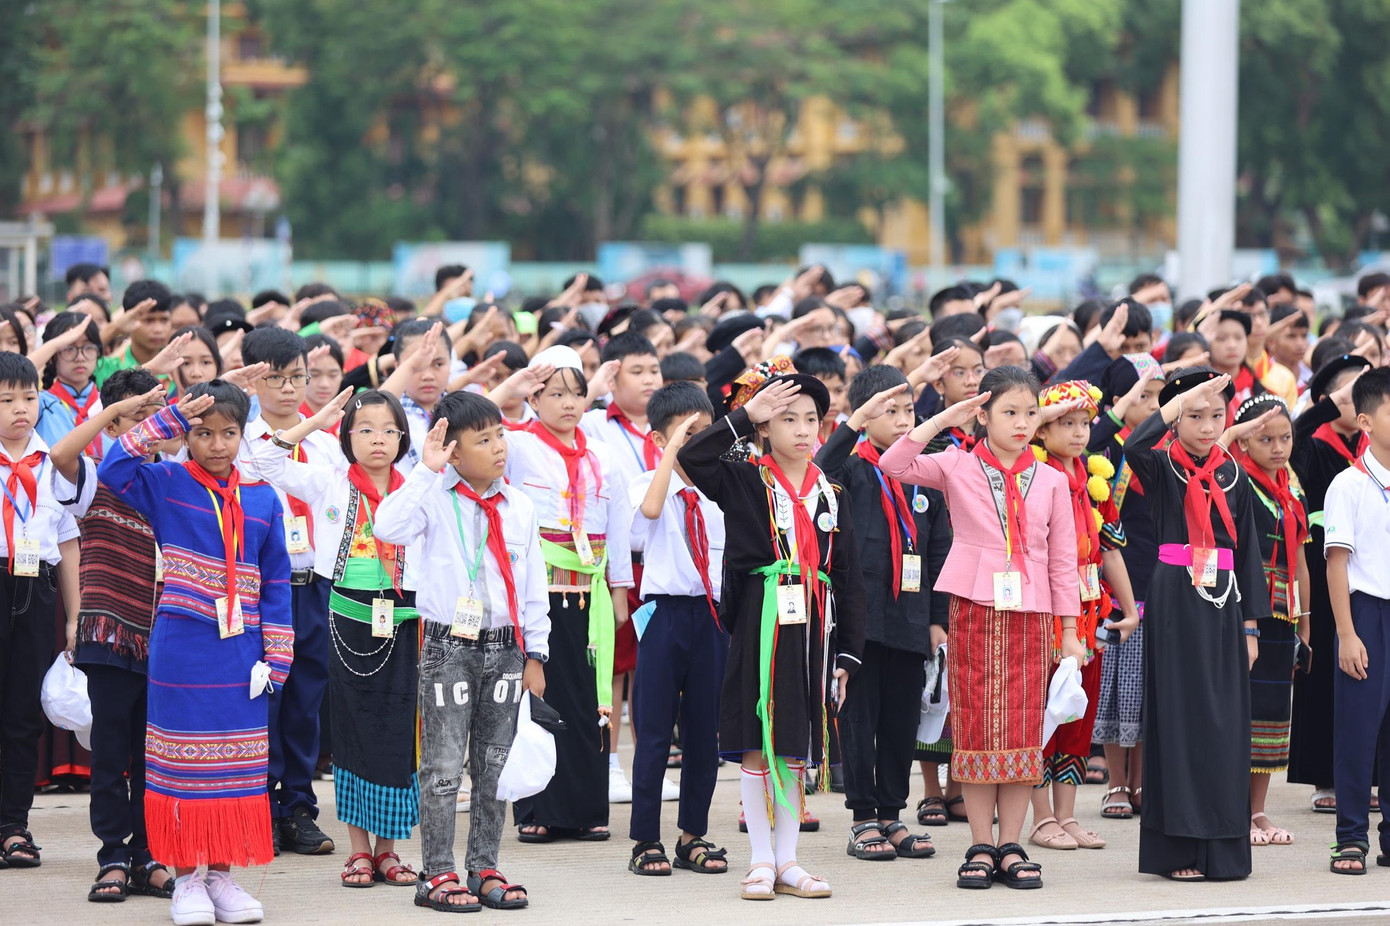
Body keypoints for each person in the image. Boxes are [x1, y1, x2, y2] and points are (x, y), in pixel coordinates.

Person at [98, 380, 293, 925]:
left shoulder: (261, 498)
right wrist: (164, 421)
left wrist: (277, 655)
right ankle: (187, 879)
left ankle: (223, 877)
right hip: (181, 650)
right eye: (203, 433)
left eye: (229, 433)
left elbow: (277, 581)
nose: (218, 445)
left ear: (244, 434)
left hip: (243, 654)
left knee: (236, 769)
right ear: (187, 434)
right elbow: (114, 469)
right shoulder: (165, 482)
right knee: (182, 768)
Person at [881, 366, 1081, 891]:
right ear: (984, 415)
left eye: (1029, 413)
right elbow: (893, 462)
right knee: (974, 727)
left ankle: (1010, 844)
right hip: (972, 608)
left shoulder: (1055, 479)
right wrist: (945, 417)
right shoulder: (956, 465)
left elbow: (1062, 560)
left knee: (1021, 730)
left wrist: (1069, 630)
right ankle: (978, 844)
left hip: (1034, 614)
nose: (1020, 423)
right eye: (1009, 412)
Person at [678, 371, 866, 901]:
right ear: (764, 427)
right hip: (762, 618)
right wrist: (743, 416)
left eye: (812, 419)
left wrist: (848, 654)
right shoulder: (744, 480)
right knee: (759, 745)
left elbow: (850, 579)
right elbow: (693, 459)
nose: (804, 430)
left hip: (815, 621)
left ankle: (789, 861)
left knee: (795, 747)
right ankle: (760, 860)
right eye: (788, 419)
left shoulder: (832, 493)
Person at [373, 391, 549, 910]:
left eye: (500, 435)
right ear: (451, 450)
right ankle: (437, 873)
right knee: (444, 765)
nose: (499, 447)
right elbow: (387, 527)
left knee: (494, 763)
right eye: (483, 439)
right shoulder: (431, 495)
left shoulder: (518, 504)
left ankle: (485, 866)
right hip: (449, 645)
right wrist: (426, 472)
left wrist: (535, 653)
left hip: (505, 647)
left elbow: (532, 583)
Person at [246, 388, 425, 888]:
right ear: (346, 437)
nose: (378, 440)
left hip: (403, 618)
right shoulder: (328, 481)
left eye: (389, 430)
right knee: (348, 727)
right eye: (365, 429)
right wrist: (314, 420)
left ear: (403, 438)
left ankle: (390, 850)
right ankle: (358, 851)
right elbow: (263, 458)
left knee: (394, 731)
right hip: (345, 614)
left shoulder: (416, 489)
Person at [1124, 367, 1269, 882]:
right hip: (1174, 601)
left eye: (1216, 414)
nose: (1208, 426)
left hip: (1224, 603)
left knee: (1225, 721)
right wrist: (1171, 404)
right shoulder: (1162, 466)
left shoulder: (1235, 473)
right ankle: (1181, 849)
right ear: (1176, 419)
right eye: (1195, 416)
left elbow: (1249, 549)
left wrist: (1251, 625)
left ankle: (1221, 849)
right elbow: (1132, 443)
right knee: (1180, 718)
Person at [49, 370, 175, 902]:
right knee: (110, 749)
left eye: (153, 415)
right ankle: (113, 855)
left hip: (167, 634)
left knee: (155, 754)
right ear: (113, 420)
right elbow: (59, 454)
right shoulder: (95, 476)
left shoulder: (175, 477)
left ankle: (150, 854)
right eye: (135, 415)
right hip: (109, 631)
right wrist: (113, 416)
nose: (146, 427)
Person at [816, 364, 949, 863]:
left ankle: (893, 813)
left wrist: (938, 617)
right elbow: (817, 472)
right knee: (859, 717)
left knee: (899, 720)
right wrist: (852, 423)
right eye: (886, 411)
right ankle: (862, 818)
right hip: (859, 622)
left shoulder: (924, 474)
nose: (899, 420)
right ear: (864, 416)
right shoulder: (850, 468)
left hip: (911, 619)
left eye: (907, 410)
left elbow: (939, 549)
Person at [506, 346, 632, 841]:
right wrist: (510, 390)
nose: (568, 404)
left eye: (577, 393)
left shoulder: (603, 456)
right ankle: (536, 811)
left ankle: (585, 809)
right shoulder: (515, 446)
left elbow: (617, 527)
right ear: (533, 398)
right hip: (536, 594)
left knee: (589, 704)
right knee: (537, 699)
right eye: (555, 393)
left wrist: (620, 590)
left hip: (589, 594)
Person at [1026, 380, 1142, 854]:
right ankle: (1040, 818)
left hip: (1091, 612)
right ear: (1041, 428)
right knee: (1042, 717)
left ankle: (1067, 816)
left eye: (1083, 424)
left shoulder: (1095, 480)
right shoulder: (1032, 474)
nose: (1077, 433)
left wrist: (1131, 609)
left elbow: (1110, 551)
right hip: (1045, 614)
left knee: (1078, 714)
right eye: (1065, 424)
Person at [239, 327, 342, 856]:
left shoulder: (326, 444)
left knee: (306, 697)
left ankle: (298, 806)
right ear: (253, 379)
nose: (288, 389)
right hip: (259, 590)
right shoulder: (239, 441)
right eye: (275, 379)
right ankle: (257, 804)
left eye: (296, 378)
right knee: (264, 697)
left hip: (315, 586)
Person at [626, 382, 731, 876]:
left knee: (703, 734)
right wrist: (670, 452)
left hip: (711, 617)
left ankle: (694, 836)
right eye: (686, 433)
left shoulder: (724, 490)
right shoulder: (648, 483)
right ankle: (646, 839)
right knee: (652, 731)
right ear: (659, 438)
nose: (697, 440)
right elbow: (648, 513)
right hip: (664, 615)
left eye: (704, 431)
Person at [0, 352, 81, 871]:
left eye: (28, 398)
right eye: (5, 400)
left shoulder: (54, 462)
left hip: (36, 589)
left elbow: (70, 543)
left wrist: (75, 617)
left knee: (21, 713)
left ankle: (14, 825)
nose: (19, 409)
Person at [579, 331, 665, 804]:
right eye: (637, 371)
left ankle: (644, 766)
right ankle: (608, 762)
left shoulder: (669, 424)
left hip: (664, 566)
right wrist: (591, 387)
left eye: (654, 369)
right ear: (612, 377)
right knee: (612, 668)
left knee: (652, 672)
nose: (649, 379)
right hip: (618, 564)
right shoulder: (595, 424)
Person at [1288, 350, 1372, 814]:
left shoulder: (1373, 446)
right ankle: (1324, 776)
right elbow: (1288, 434)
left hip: (1370, 571)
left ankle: (1370, 776)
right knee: (1324, 674)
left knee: (1370, 671)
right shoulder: (1312, 442)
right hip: (1322, 568)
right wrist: (1323, 405)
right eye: (1349, 394)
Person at [1225, 394, 1309, 847]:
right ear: (1244, 441)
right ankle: (1232, 808)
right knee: (1242, 711)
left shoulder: (1291, 487)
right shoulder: (1236, 480)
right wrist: (1247, 624)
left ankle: (1258, 811)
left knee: (1274, 716)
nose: (1278, 447)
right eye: (1265, 438)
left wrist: (1306, 624)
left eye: (1285, 437)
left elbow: (1300, 558)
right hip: (1244, 610)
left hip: (1285, 615)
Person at [1088, 354, 1165, 819]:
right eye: (1145, 397)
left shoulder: (1166, 447)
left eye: (1159, 397)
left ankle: (1141, 784)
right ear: (1119, 402)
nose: (1155, 407)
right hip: (1121, 588)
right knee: (1119, 690)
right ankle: (1116, 783)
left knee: (1152, 691)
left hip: (1164, 584)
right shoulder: (1108, 448)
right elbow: (1094, 436)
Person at [1325, 367, 1390, 875]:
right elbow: (1337, 563)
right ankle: (1350, 838)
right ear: (1366, 420)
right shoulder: (1348, 484)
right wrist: (1347, 634)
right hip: (1366, 613)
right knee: (1358, 730)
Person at [36, 312, 104, 451]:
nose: (80, 357)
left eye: (88, 347)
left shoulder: (111, 403)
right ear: (52, 355)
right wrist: (54, 345)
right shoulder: (39, 404)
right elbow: (12, 376)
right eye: (68, 348)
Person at [95, 280, 174, 385]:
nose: (158, 329)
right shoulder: (108, 368)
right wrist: (116, 327)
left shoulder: (179, 368)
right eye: (148, 320)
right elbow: (81, 353)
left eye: (164, 320)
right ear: (129, 319)